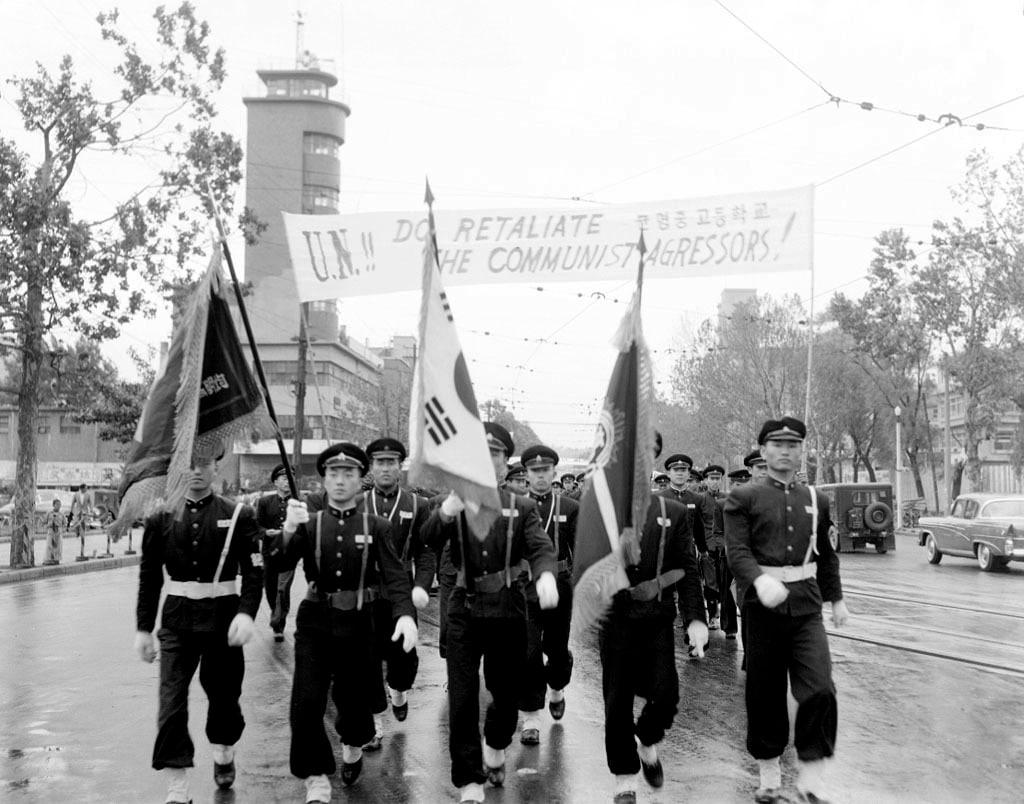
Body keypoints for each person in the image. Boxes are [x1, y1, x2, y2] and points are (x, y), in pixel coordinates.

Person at [267, 442, 417, 803]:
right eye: (333, 473)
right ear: (324, 479)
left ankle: (352, 745)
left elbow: (396, 576)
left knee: (353, 702)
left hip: (360, 623)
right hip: (315, 621)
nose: (339, 480)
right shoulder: (310, 524)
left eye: (348, 473)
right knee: (306, 702)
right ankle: (316, 776)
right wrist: (288, 529)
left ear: (359, 479)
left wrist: (405, 615)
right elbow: (278, 562)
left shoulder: (377, 526)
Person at [422, 422, 558, 804]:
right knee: (463, 698)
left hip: (507, 609)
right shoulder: (451, 503)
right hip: (464, 609)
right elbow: (427, 540)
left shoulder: (522, 507)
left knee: (506, 693)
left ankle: (496, 743)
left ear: (504, 462)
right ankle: (469, 780)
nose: (487, 460)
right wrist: (445, 513)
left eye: (495, 454)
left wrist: (546, 574)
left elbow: (541, 547)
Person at [724, 417, 850, 804]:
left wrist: (836, 598)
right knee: (765, 691)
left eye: (793, 445)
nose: (785, 451)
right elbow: (737, 552)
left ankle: (810, 778)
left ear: (801, 452)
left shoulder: (816, 499)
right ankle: (769, 773)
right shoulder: (743, 498)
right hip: (762, 608)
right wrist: (758, 581)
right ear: (763, 451)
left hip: (807, 606)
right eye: (777, 445)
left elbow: (826, 554)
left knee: (820, 687)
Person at [133, 440, 263, 804]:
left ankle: (224, 749)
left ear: (216, 467)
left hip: (223, 619)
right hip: (177, 621)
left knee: (224, 697)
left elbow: (255, 572)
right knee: (171, 702)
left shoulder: (238, 515)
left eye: (203, 463)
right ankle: (177, 787)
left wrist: (246, 614)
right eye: (189, 464)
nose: (196, 471)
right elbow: (149, 578)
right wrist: (143, 629)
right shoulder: (161, 517)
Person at [600, 435, 709, 804]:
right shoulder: (602, 510)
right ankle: (624, 776)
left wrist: (696, 619)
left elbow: (687, 569)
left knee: (665, 695)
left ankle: (647, 739)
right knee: (617, 700)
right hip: (615, 618)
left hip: (657, 618)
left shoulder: (673, 512)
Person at [361, 437, 435, 750]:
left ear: (399, 466)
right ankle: (374, 723)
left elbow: (426, 551)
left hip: (401, 590)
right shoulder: (357, 503)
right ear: (371, 467)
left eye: (391, 462)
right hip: (366, 589)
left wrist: (421, 585)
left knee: (403, 658)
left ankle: (399, 691)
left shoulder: (417, 505)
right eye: (380, 462)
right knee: (366, 658)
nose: (385, 468)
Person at [517, 443, 579, 744]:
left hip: (561, 584)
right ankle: (530, 716)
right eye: (534, 470)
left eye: (545, 470)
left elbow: (580, 550)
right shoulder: (516, 506)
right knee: (528, 651)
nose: (540, 475)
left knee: (556, 648)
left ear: (554, 472)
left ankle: (556, 686)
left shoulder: (569, 507)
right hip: (525, 586)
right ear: (526, 474)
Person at [256, 463, 295, 642]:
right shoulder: (265, 502)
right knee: (271, 589)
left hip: (290, 553)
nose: (288, 482)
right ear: (276, 482)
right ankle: (276, 613)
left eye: (290, 479)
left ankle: (279, 624)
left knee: (282, 589)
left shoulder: (298, 502)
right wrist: (266, 532)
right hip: (269, 552)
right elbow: (257, 525)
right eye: (284, 478)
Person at [704, 464, 737, 639]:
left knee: (726, 585)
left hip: (726, 549)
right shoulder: (702, 500)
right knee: (712, 583)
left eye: (718, 478)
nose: (715, 482)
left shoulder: (726, 499)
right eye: (712, 478)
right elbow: (702, 526)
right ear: (706, 480)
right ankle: (713, 615)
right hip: (710, 548)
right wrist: (706, 546)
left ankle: (728, 622)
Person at [42, 498, 64, 565]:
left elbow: (65, 523)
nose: (58, 506)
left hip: (58, 531)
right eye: (57, 504)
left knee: (58, 546)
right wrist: (48, 525)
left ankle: (56, 559)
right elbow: (44, 522)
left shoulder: (61, 514)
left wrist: (62, 528)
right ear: (53, 505)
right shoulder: (49, 513)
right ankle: (49, 559)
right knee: (49, 545)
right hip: (51, 531)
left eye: (59, 505)